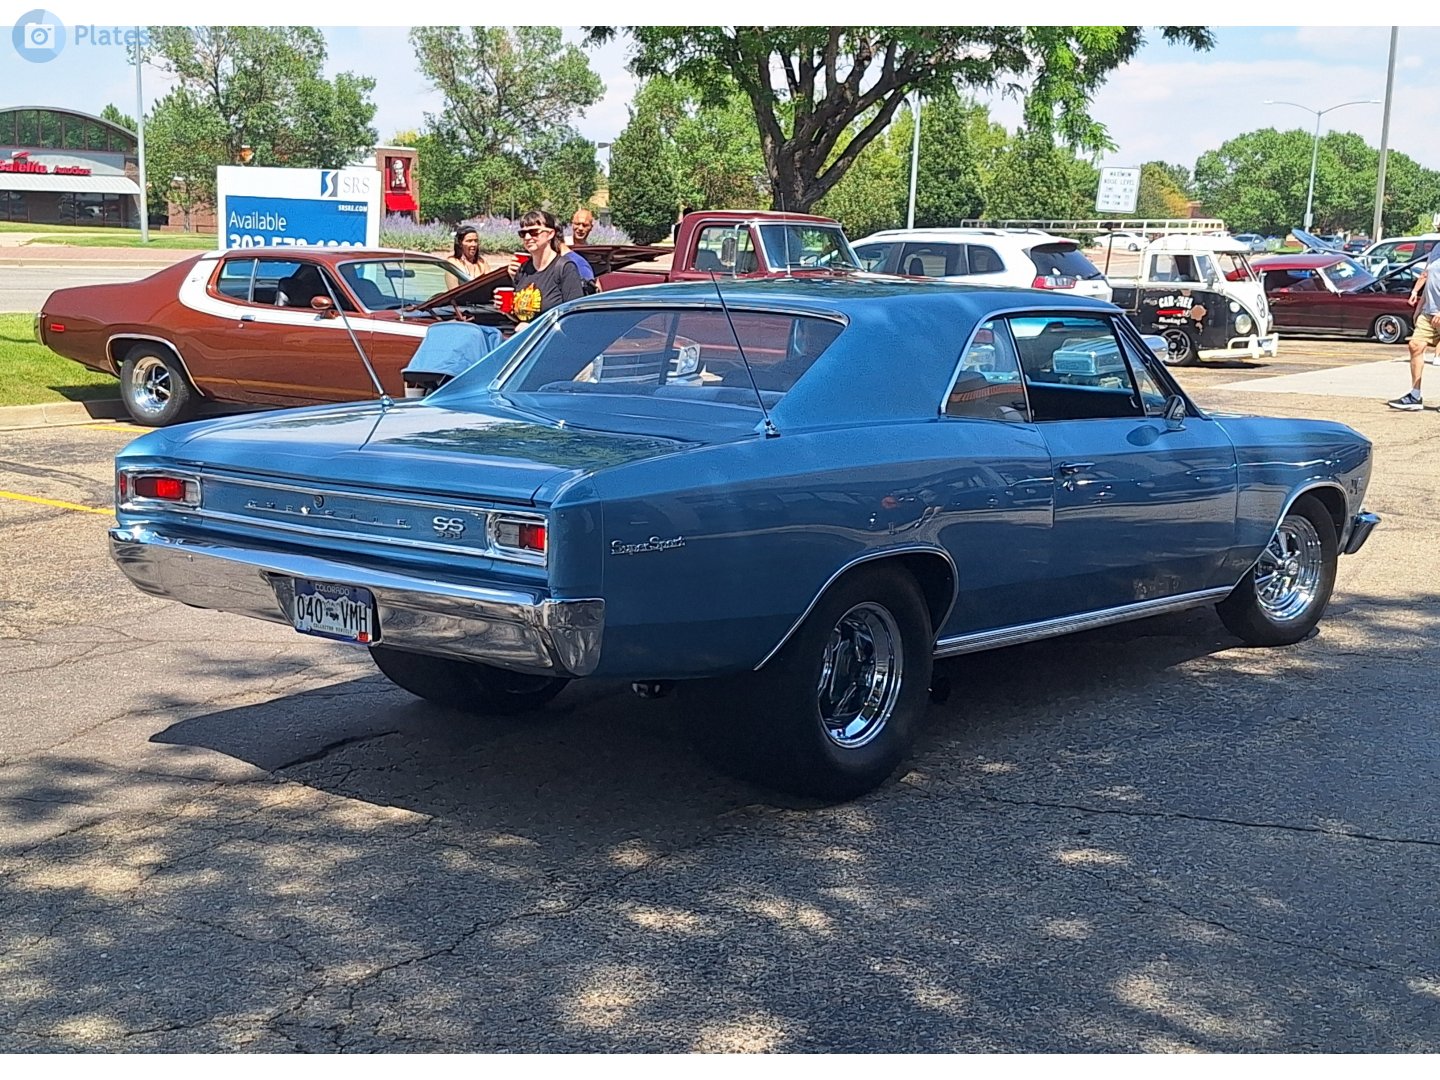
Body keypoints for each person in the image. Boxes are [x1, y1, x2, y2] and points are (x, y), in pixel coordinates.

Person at [502, 209, 585, 322]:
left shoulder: (565, 268)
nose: (527, 237)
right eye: (523, 233)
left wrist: (534, 328)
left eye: (534, 232)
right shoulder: (523, 270)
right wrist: (507, 310)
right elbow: (522, 318)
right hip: (527, 337)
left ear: (550, 234)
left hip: (553, 338)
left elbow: (575, 317)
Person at [1387, 246, 1440, 410]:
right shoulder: (1437, 248)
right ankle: (1415, 396)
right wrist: (1419, 303)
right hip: (1430, 311)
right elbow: (1428, 276)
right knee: (1415, 345)